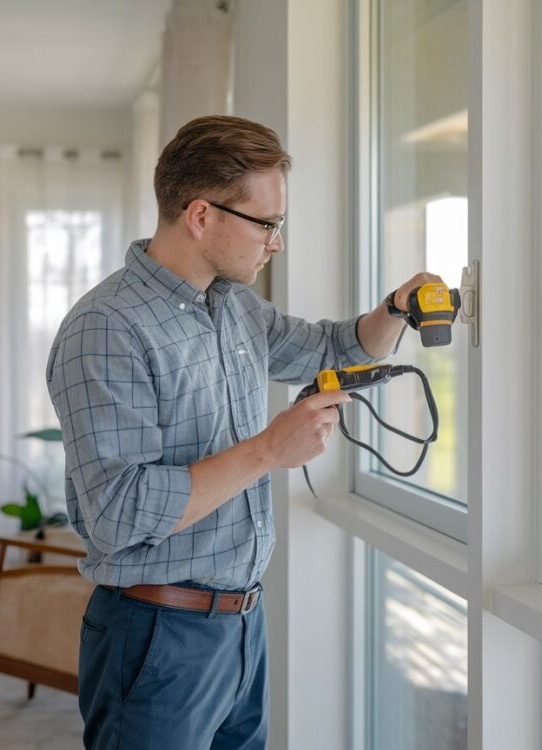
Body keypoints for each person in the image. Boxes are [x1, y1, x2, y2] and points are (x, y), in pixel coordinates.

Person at [46, 114, 442, 750]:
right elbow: (118, 512)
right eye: (267, 224)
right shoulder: (107, 328)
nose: (276, 242)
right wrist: (268, 451)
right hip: (155, 633)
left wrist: (394, 308)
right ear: (202, 215)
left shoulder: (232, 306)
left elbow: (329, 351)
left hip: (239, 627)